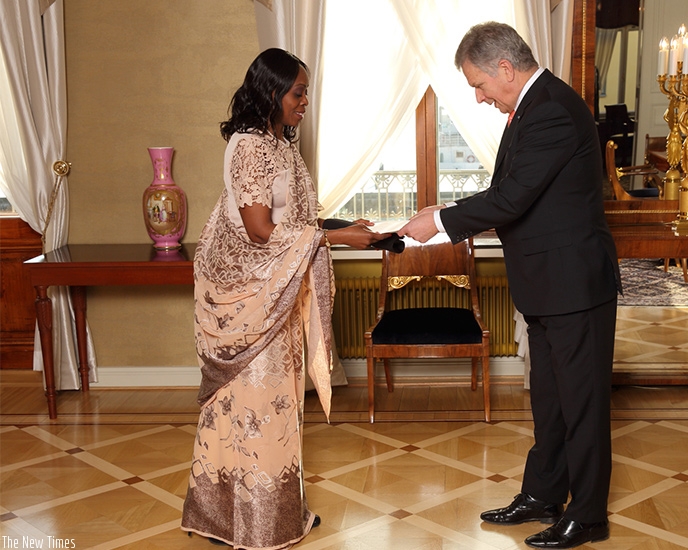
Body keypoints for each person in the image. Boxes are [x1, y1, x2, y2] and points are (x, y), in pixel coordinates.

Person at [399, 22, 621, 549]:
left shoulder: (550, 110)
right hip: (548, 285)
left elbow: (512, 199)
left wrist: (442, 223)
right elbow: (512, 190)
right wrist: (445, 210)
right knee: (550, 400)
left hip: (574, 287)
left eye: (478, 84)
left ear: (504, 67)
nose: (477, 97)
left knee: (582, 404)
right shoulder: (534, 106)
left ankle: (588, 515)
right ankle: (544, 494)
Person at [180, 48, 388, 549]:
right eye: (298, 92)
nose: (305, 102)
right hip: (250, 297)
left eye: (306, 92)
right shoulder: (250, 146)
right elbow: (257, 230)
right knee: (251, 404)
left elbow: (295, 221)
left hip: (278, 291)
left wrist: (340, 227)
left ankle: (272, 513)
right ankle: (239, 521)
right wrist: (336, 241)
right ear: (272, 92)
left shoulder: (281, 144)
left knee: (280, 405)